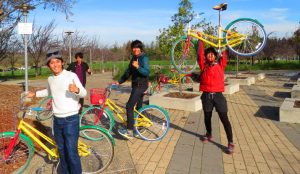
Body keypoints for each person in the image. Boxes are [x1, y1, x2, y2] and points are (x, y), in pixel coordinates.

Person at [27, 49, 87, 173]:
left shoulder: (71, 75)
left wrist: (76, 90)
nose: (55, 65)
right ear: (49, 65)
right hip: (57, 119)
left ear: (62, 62)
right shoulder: (50, 79)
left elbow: (84, 93)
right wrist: (35, 94)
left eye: (57, 61)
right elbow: (49, 92)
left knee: (71, 152)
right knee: (61, 151)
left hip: (71, 119)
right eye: (52, 63)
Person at [197, 32, 234, 154]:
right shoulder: (204, 66)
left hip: (218, 96)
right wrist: (200, 40)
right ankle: (209, 134)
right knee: (207, 117)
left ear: (215, 56)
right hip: (206, 95)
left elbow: (225, 53)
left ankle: (230, 142)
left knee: (224, 119)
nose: (210, 56)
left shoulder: (220, 65)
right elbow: (200, 55)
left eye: (212, 55)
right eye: (208, 55)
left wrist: (227, 39)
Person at [116, 40, 150, 139]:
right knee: (139, 107)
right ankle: (139, 128)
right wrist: (120, 81)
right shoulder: (134, 58)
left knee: (129, 106)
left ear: (140, 48)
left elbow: (147, 72)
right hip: (136, 85)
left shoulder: (144, 57)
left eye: (137, 47)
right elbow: (128, 72)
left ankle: (130, 131)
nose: (135, 49)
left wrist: (138, 67)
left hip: (141, 85)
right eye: (133, 48)